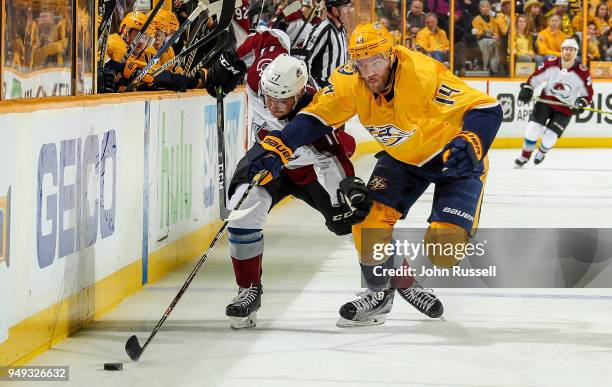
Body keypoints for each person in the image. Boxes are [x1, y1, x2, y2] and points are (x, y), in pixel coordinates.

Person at [245, 22, 503, 326]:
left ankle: (404, 278)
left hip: (453, 160)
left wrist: (471, 140)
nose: (369, 71)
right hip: (401, 157)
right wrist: (281, 147)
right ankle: (379, 292)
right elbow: (315, 117)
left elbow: (487, 109)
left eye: (376, 60)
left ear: (391, 55)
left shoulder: (422, 75)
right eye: (361, 63)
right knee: (368, 220)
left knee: (444, 250)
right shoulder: (350, 81)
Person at [514, 38, 593, 167]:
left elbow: (587, 93)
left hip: (566, 108)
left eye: (572, 50)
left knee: (550, 137)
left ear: (576, 53)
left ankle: (542, 152)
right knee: (533, 128)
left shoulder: (582, 71)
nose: (568, 52)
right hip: (546, 102)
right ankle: (524, 156)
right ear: (561, 51)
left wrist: (582, 102)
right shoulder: (551, 63)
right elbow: (536, 77)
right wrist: (528, 88)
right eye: (566, 49)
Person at [300, 0, 352, 88]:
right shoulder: (323, 29)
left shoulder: (342, 29)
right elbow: (303, 61)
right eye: (346, 8)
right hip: (324, 92)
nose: (349, 12)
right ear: (335, 10)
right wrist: (316, 89)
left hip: (338, 89)